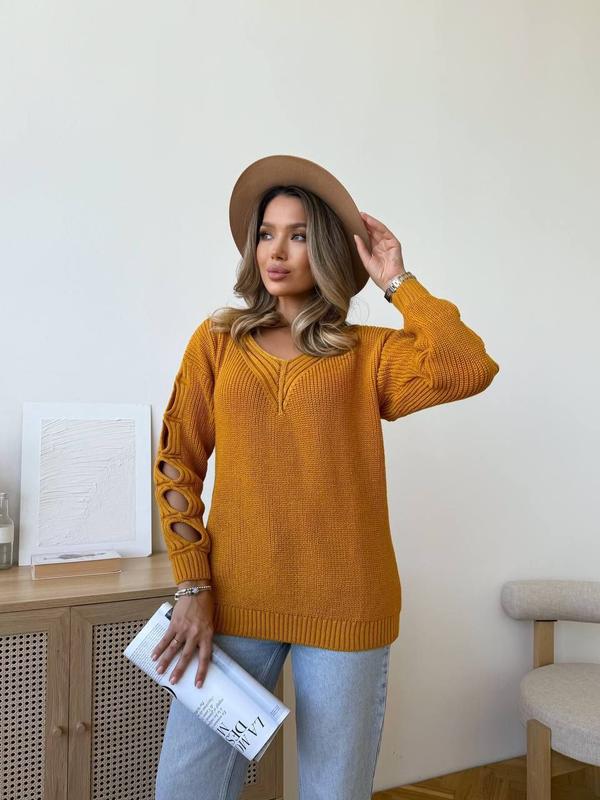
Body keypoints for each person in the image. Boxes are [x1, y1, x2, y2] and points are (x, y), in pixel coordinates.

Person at [150, 154, 500, 800]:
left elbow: (467, 367)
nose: (277, 251)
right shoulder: (218, 341)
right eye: (266, 234)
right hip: (232, 603)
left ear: (331, 251)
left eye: (300, 235)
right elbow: (177, 462)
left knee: (331, 793)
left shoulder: (368, 353)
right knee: (184, 787)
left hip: (346, 604)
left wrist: (398, 281)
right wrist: (192, 583)